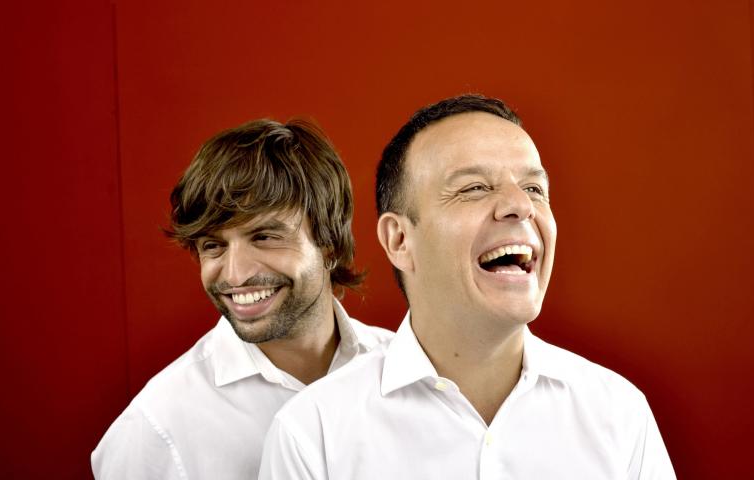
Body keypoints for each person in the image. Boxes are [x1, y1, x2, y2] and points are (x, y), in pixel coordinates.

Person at [258, 95, 676, 479]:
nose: (521, 206)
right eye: (475, 188)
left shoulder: (620, 415)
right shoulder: (313, 435)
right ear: (399, 240)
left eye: (534, 188)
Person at [91, 119, 392, 479]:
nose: (235, 275)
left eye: (263, 237)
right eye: (213, 245)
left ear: (329, 245)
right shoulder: (155, 430)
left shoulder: (409, 371)